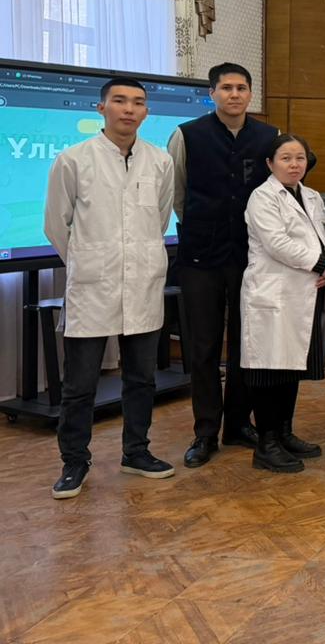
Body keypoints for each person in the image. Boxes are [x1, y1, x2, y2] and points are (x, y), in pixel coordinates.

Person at [45, 78, 176, 499]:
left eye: (138, 102)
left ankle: (136, 452)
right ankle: (74, 462)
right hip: (92, 287)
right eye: (119, 100)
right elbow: (56, 224)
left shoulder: (160, 161)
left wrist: (134, 257)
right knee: (79, 385)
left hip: (142, 284)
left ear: (146, 112)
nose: (129, 109)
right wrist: (89, 260)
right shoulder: (73, 159)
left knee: (141, 379)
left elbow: (160, 219)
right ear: (101, 108)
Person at [169, 63, 277, 469]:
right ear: (212, 93)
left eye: (242, 88)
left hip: (251, 256)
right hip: (201, 256)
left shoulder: (269, 136)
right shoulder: (187, 135)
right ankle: (205, 431)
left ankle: (238, 423)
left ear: (250, 94)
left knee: (247, 343)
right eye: (226, 88)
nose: (234, 94)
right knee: (203, 346)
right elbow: (177, 193)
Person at [240, 134, 325, 473]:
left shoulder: (310, 196)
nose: (294, 164)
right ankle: (266, 444)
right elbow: (277, 243)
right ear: (270, 163)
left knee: (291, 367)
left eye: (300, 158)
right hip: (273, 295)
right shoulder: (262, 197)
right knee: (270, 370)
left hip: (305, 293)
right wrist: (322, 264)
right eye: (286, 158)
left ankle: (284, 433)